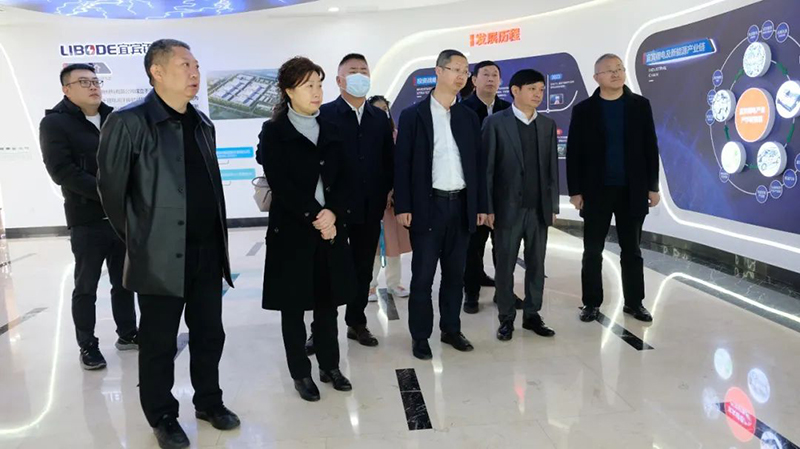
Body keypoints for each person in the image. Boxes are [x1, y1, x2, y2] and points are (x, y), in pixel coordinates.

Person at [97, 39, 239, 449]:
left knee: (209, 334)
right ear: (156, 72)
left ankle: (209, 402)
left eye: (196, 65)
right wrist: (141, 242)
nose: (194, 72)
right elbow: (111, 193)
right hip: (158, 256)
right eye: (183, 65)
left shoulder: (202, 123)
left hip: (207, 251)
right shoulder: (128, 122)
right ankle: (162, 415)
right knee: (159, 342)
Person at [257, 56, 357, 402]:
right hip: (293, 232)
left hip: (330, 229)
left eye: (319, 84)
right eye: (307, 85)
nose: (316, 92)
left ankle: (330, 366)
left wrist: (334, 214)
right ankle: (301, 372)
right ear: (288, 91)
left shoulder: (332, 127)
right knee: (294, 307)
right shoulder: (274, 132)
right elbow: (282, 185)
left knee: (328, 304)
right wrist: (318, 216)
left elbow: (346, 177)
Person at [40, 63, 138, 370]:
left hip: (121, 216)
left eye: (95, 81)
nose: (93, 86)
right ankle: (88, 344)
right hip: (86, 217)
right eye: (84, 82)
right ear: (66, 89)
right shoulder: (55, 123)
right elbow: (62, 171)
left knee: (125, 281)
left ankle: (128, 333)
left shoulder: (115, 118)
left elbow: (132, 160)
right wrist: (107, 191)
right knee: (86, 285)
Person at [394, 49, 488, 360]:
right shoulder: (413, 115)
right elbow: (402, 163)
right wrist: (403, 205)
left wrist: (480, 205)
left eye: (465, 70)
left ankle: (451, 329)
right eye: (455, 69)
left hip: (460, 205)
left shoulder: (468, 116)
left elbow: (477, 165)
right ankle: (420, 336)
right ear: (438, 71)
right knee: (422, 277)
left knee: (455, 275)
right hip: (428, 206)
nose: (462, 76)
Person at [305, 54, 393, 352]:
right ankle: (320, 330)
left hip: (369, 207)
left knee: (363, 269)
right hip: (333, 209)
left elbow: (388, 159)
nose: (359, 75)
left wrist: (387, 191)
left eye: (364, 71)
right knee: (327, 270)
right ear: (339, 80)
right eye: (353, 71)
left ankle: (356, 322)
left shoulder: (379, 118)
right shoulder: (324, 114)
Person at [566, 53, 661, 324]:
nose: (616, 74)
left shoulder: (640, 105)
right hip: (596, 191)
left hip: (632, 190)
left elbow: (650, 147)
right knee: (592, 250)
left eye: (619, 68)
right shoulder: (584, 110)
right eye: (609, 70)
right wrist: (575, 191)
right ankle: (591, 302)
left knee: (632, 250)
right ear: (597, 77)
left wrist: (652, 187)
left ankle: (634, 302)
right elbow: (574, 153)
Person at [483, 69, 558, 341]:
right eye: (532, 89)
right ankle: (506, 318)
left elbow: (552, 170)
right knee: (505, 266)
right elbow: (487, 170)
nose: (538, 94)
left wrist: (553, 206)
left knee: (537, 265)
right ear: (515, 91)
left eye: (541, 89)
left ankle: (532, 314)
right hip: (507, 209)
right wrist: (488, 207)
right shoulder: (495, 123)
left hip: (538, 209)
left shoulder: (547, 125)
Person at [459, 60, 516, 314]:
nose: (491, 79)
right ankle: (471, 293)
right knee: (474, 245)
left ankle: (504, 293)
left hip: (503, 190)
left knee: (504, 246)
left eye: (495, 75)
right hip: (474, 189)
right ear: (474, 80)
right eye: (486, 74)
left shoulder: (509, 109)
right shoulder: (463, 110)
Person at [367, 95, 411, 300]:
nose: (382, 113)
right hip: (373, 199)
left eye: (384, 109)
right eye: (377, 109)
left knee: (394, 244)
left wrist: (394, 192)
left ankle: (394, 283)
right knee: (374, 245)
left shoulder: (396, 135)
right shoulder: (365, 136)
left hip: (394, 200)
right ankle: (370, 284)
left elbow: (402, 166)